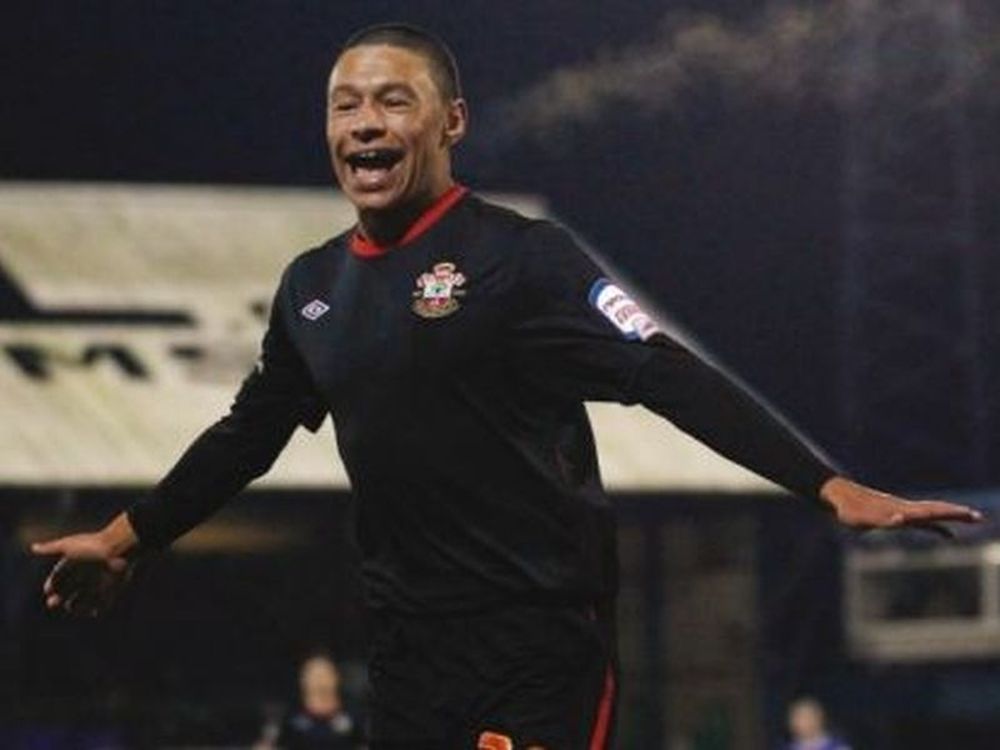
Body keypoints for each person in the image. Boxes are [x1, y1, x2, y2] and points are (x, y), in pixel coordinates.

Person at [30, 23, 984, 750]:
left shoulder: (525, 260)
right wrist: (125, 537)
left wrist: (824, 483)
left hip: (539, 646)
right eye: (344, 105)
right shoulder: (312, 288)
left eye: (393, 101)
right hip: (407, 654)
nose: (365, 123)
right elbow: (248, 434)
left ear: (452, 122)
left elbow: (665, 374)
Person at [256, 653, 365, 750]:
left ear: (336, 678)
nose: (319, 681)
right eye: (314, 675)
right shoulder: (289, 718)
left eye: (325, 674)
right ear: (303, 680)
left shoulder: (354, 715)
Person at [785, 697, 851, 750]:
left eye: (806, 717)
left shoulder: (839, 747)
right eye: (796, 718)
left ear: (819, 718)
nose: (800, 722)